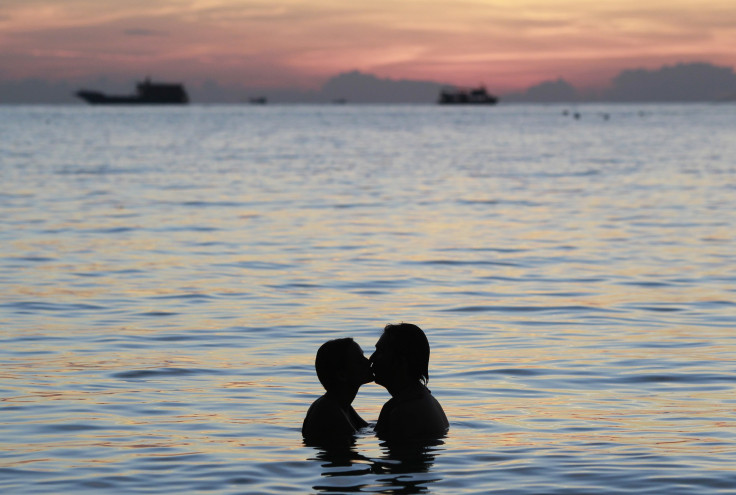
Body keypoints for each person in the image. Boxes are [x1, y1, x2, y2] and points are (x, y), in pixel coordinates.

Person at [370, 323, 449, 441]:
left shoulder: (402, 412)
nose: (371, 358)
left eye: (380, 352)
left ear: (401, 362)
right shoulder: (424, 397)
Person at [302, 338, 374, 444]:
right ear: (342, 375)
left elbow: (370, 428)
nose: (368, 362)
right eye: (359, 360)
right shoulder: (329, 409)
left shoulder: (341, 404)